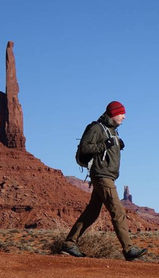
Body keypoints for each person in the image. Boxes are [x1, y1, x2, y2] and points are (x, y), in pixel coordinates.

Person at [62, 101, 147, 261]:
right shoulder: (96, 128)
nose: (124, 117)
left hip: (107, 176)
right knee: (118, 211)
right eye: (122, 113)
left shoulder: (112, 131)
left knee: (92, 212)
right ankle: (128, 249)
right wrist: (105, 145)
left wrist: (115, 144)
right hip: (102, 176)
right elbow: (85, 148)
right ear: (114, 113)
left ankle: (69, 243)